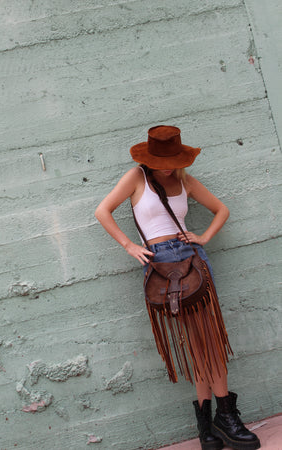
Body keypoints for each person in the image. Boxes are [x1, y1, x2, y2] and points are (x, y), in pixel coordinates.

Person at [95, 125, 260, 450]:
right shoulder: (137, 178)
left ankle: (209, 429)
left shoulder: (185, 180)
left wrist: (204, 237)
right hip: (162, 266)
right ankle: (224, 419)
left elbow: (221, 209)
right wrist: (131, 246)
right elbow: (102, 211)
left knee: (207, 341)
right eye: (162, 159)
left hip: (192, 260)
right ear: (150, 155)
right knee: (199, 344)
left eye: (173, 159)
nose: (168, 166)